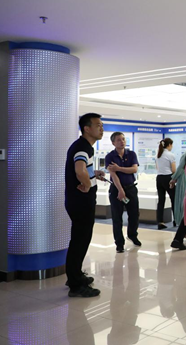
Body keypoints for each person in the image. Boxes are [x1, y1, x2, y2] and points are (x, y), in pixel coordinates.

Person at [65, 113, 106, 297]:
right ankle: (75, 284)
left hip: (78, 201)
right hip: (81, 201)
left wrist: (93, 174)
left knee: (80, 239)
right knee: (80, 241)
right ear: (87, 129)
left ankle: (75, 275)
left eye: (102, 125)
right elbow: (79, 170)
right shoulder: (83, 147)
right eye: (98, 125)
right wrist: (87, 184)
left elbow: (83, 170)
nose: (101, 128)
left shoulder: (83, 146)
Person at [105, 131, 141, 253]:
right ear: (113, 143)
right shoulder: (110, 157)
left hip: (131, 188)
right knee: (117, 217)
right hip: (116, 189)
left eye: (123, 139)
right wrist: (120, 190)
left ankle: (132, 235)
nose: (122, 142)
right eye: (119, 140)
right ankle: (119, 243)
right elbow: (113, 174)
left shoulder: (131, 154)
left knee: (134, 214)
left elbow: (134, 169)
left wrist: (119, 168)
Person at [156, 138, 176, 230]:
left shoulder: (158, 155)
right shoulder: (170, 155)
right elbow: (174, 170)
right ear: (169, 145)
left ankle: (160, 222)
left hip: (159, 178)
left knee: (161, 200)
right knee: (174, 199)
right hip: (168, 178)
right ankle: (176, 220)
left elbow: (157, 168)